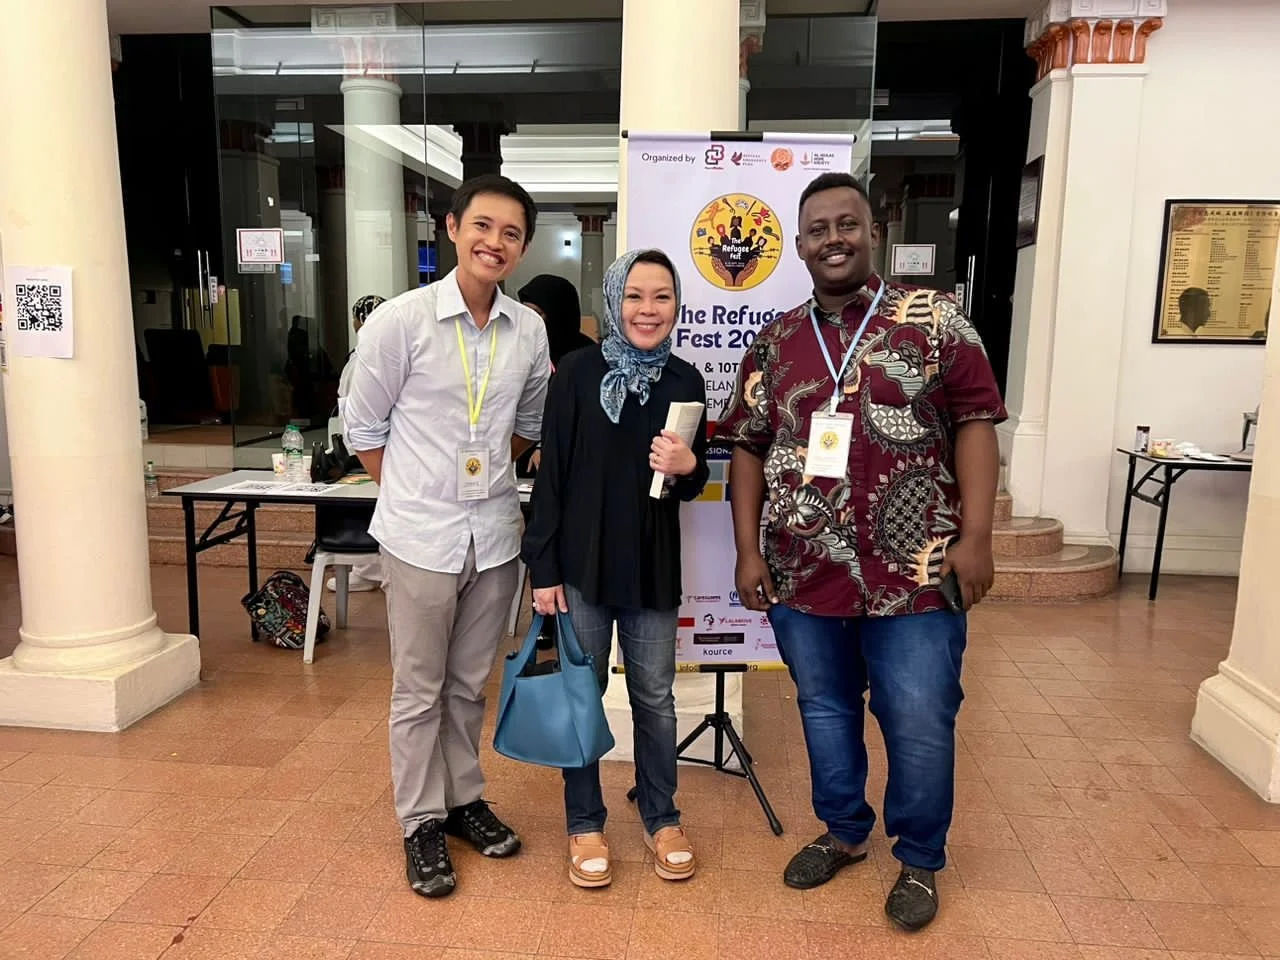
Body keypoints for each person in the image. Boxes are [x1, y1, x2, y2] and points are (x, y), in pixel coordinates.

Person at [717, 172, 1005, 931]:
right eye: (818, 228)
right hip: (804, 572)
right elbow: (747, 447)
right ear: (800, 244)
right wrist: (748, 552)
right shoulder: (775, 342)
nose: (833, 238)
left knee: (917, 715)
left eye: (847, 224)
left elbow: (977, 421)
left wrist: (977, 536)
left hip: (918, 571)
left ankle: (919, 857)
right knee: (825, 709)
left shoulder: (936, 321)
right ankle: (845, 831)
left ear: (872, 230)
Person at [343, 174, 551, 898]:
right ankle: (420, 821)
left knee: (468, 685)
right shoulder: (398, 323)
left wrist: (485, 471)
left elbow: (530, 422)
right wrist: (412, 491)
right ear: (454, 228)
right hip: (422, 537)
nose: (495, 243)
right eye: (483, 227)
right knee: (418, 689)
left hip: (493, 536)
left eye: (512, 233)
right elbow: (365, 429)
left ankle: (464, 800)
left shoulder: (528, 328)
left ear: (522, 247)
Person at [521, 249, 709, 889]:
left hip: (651, 566)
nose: (647, 309)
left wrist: (691, 470)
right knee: (583, 694)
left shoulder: (686, 382)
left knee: (655, 697)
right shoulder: (575, 373)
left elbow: (688, 480)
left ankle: (662, 815)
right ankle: (585, 823)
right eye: (635, 296)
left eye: (661, 297)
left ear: (676, 305)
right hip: (582, 566)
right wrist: (542, 569)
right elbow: (552, 481)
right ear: (613, 300)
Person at [328, 293, 386, 594]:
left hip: (368, 445)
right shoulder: (380, 351)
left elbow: (353, 407)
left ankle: (368, 569)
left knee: (372, 504)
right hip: (377, 443)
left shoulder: (365, 355)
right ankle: (370, 567)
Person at [515, 273, 593, 477]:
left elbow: (584, 413)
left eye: (537, 313)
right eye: (524, 312)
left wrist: (545, 447)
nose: (529, 322)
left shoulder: (586, 357)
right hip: (520, 454)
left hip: (570, 460)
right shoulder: (516, 350)